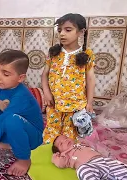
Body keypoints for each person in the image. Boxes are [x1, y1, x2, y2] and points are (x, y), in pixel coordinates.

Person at [42, 13, 96, 144]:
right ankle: (48, 155)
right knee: (51, 131)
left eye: (68, 30)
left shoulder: (86, 54)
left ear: (81, 32)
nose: (62, 34)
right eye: (59, 30)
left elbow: (90, 79)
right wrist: (47, 93)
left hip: (75, 105)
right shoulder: (53, 53)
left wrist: (89, 102)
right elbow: (44, 75)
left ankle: (67, 158)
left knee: (70, 135)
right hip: (54, 103)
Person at [52, 135, 127, 180]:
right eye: (61, 144)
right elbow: (61, 163)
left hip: (103, 161)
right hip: (92, 165)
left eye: (66, 138)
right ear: (60, 152)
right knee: (82, 170)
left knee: (125, 169)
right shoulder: (66, 155)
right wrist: (55, 158)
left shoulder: (80, 144)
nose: (65, 141)